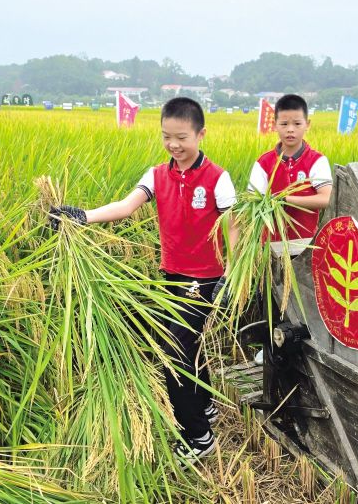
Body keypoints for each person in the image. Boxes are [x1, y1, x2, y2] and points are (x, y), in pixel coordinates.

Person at [50, 97, 237, 463]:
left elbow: (234, 230)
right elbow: (125, 206)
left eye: (182, 137)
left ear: (201, 134)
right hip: (172, 276)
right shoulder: (156, 175)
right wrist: (80, 216)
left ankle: (199, 436)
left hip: (204, 279)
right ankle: (206, 406)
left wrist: (230, 277)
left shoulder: (218, 178)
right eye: (167, 136)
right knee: (189, 344)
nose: (174, 145)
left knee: (174, 353)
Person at [248, 94, 333, 364]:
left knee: (303, 302)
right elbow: (253, 202)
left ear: (307, 124)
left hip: (305, 247)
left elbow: (326, 197)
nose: (290, 130)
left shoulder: (316, 161)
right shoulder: (264, 163)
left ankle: (306, 352)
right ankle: (271, 350)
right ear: (275, 125)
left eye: (296, 123)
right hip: (270, 248)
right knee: (271, 301)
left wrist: (286, 198)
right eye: (284, 124)